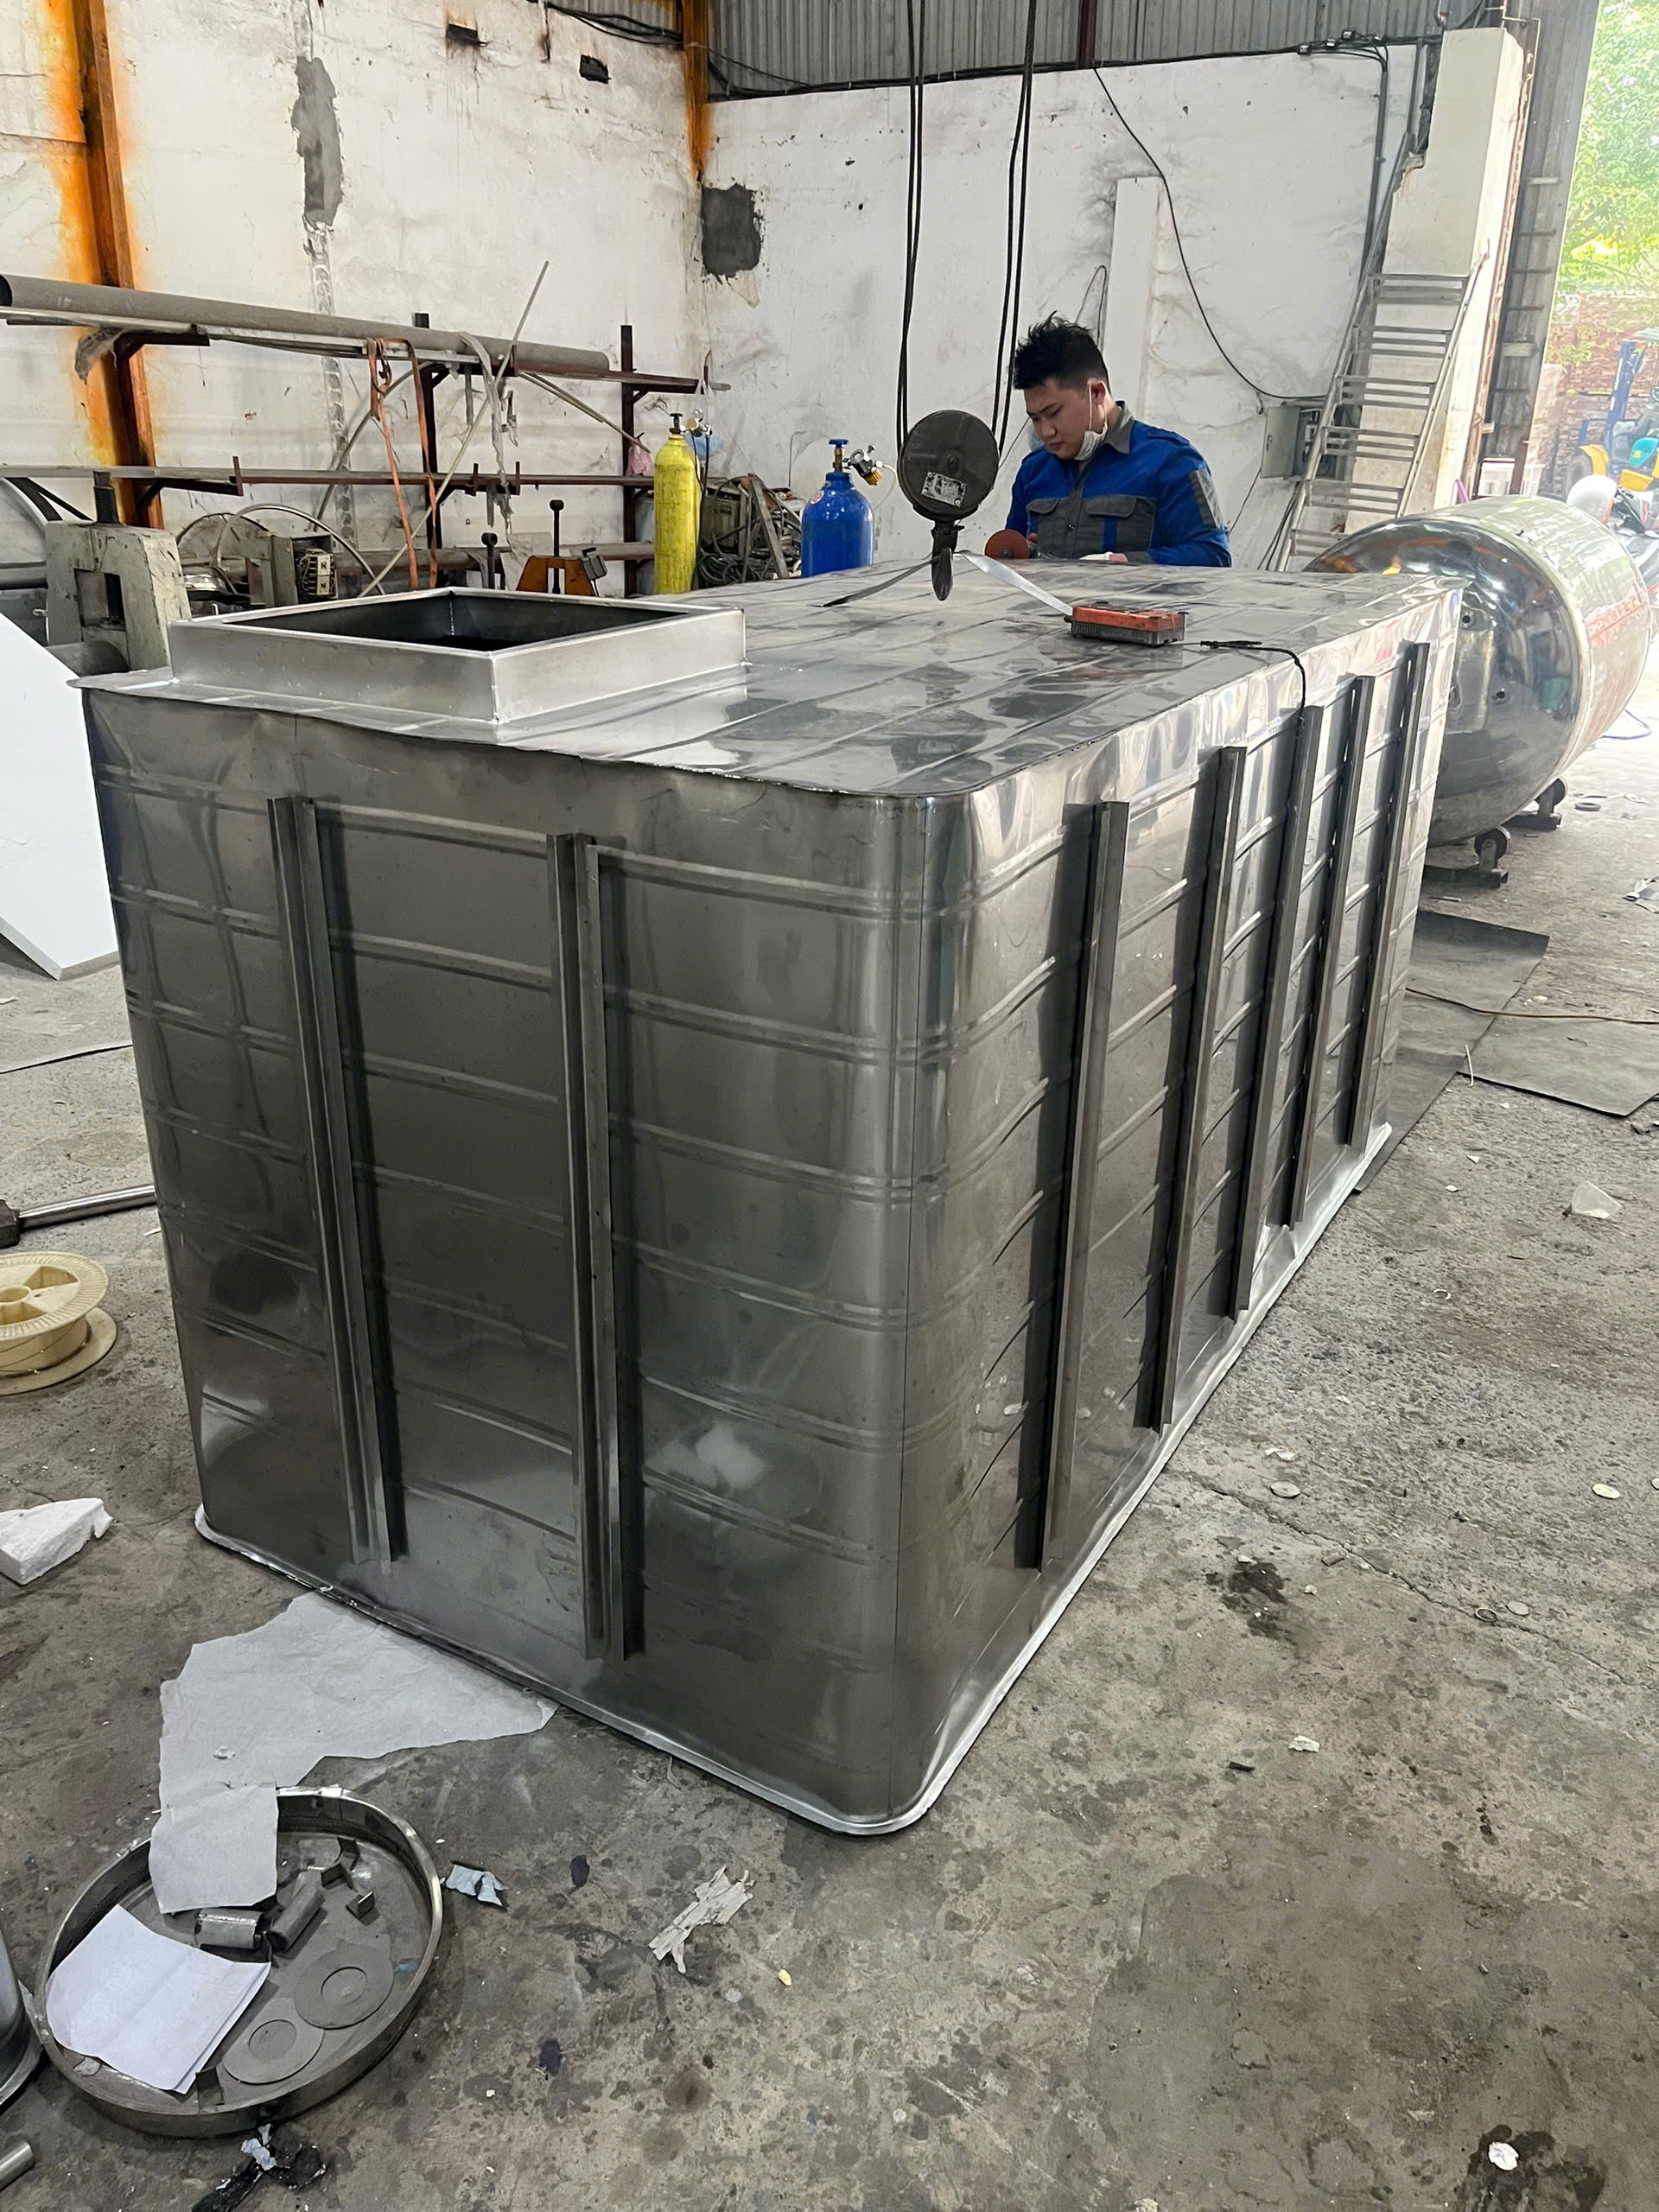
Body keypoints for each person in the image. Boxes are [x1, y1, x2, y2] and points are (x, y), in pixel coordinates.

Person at [1002, 316, 1230, 565]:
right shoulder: (1033, 471)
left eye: (1054, 413)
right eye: (1035, 419)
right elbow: (1009, 563)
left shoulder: (1172, 462)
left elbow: (1214, 557)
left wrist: (1121, 563)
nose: (1046, 432)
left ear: (1096, 393)